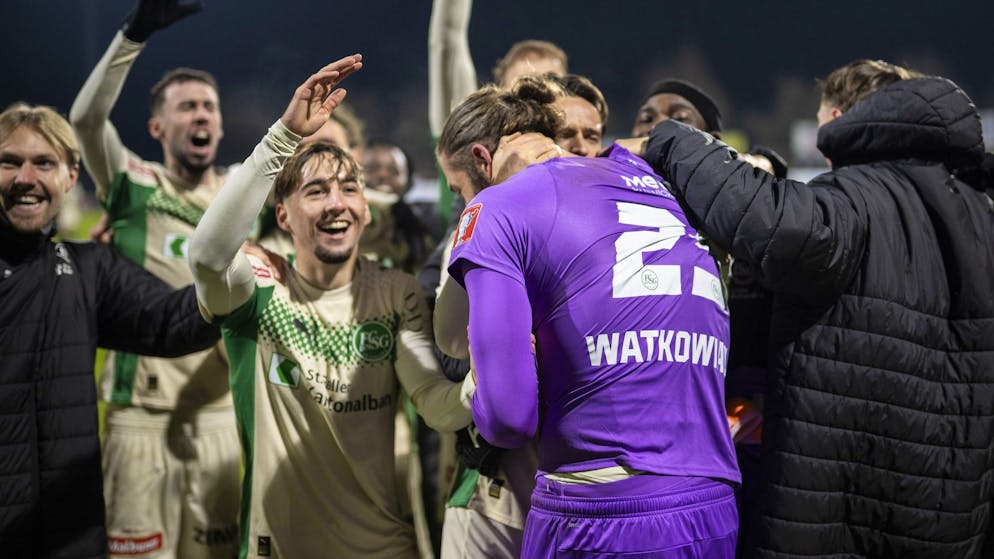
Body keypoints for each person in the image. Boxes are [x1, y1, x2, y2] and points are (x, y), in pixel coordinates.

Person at [636, 59, 994, 558]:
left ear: (839, 119)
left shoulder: (859, 194)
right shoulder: (976, 206)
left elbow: (775, 225)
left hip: (851, 502)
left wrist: (671, 140)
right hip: (954, 506)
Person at [438, 78, 740, 559]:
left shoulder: (498, 206)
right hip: (710, 502)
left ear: (481, 159)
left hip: (598, 510)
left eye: (458, 190)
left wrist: (483, 375)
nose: (463, 202)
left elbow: (508, 419)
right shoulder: (652, 178)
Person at [188, 54, 476, 558]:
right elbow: (207, 255)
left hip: (383, 548)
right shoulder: (258, 285)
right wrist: (282, 137)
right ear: (283, 216)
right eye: (316, 191)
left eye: (348, 189)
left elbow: (435, 403)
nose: (336, 203)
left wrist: (486, 380)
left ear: (365, 209)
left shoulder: (397, 292)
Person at [0, 103, 220, 559]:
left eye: (44, 163)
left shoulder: (88, 269)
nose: (26, 178)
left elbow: (169, 321)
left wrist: (227, 281)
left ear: (70, 176)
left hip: (73, 534)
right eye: (9, 162)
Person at [68, 0, 241, 555]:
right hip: (139, 417)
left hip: (219, 415)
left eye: (209, 107)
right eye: (187, 107)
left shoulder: (243, 198)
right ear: (157, 127)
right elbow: (85, 121)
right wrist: (133, 34)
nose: (201, 116)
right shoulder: (133, 184)